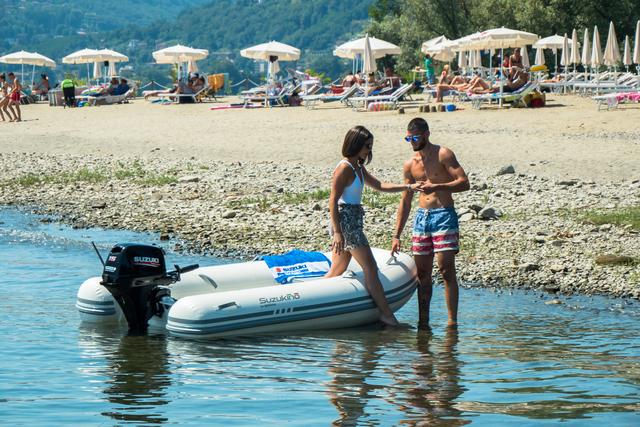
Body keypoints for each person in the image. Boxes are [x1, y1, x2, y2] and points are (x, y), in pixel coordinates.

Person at [326, 125, 423, 327]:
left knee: (338, 269)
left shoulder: (358, 167)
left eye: (370, 146)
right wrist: (337, 232)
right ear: (355, 144)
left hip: (353, 220)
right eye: (366, 146)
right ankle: (386, 315)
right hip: (346, 222)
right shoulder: (344, 168)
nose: (369, 150)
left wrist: (408, 187)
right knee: (370, 267)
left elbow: (380, 185)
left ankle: (315, 296)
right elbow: (333, 200)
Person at [391, 118, 469, 328]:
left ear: (426, 134)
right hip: (421, 219)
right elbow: (405, 200)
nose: (412, 142)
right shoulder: (410, 164)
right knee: (423, 273)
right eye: (409, 138)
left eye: (415, 137)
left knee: (446, 270)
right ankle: (423, 323)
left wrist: (437, 186)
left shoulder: (443, 154)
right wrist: (397, 235)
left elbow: (464, 182)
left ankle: (452, 323)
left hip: (443, 215)